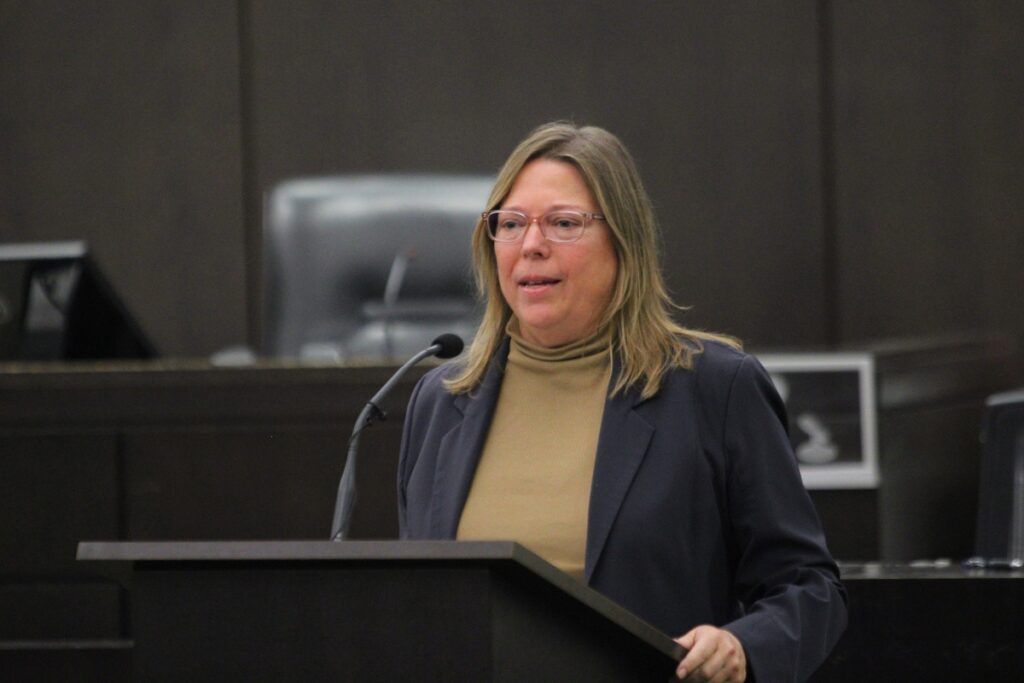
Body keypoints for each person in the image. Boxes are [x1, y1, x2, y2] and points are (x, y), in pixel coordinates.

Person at [397, 122, 847, 682]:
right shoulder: (441, 400)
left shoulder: (714, 388)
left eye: (563, 223)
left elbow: (808, 587)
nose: (531, 244)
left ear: (623, 243)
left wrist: (741, 646)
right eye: (510, 224)